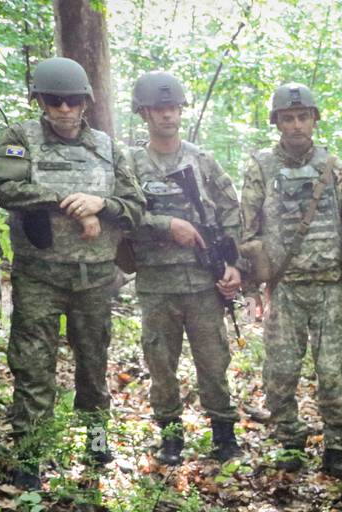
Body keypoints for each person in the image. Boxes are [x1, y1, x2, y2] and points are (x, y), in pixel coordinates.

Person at [0, 56, 143, 489]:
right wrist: (69, 200)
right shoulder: (20, 137)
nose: (63, 109)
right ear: (40, 101)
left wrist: (103, 205)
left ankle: (96, 441)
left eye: (72, 101)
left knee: (93, 363)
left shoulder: (107, 148)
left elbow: (134, 207)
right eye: (53, 101)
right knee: (34, 364)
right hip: (39, 275)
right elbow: (7, 188)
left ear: (85, 103)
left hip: (94, 277)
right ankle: (30, 454)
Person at [238, 82, 342, 480]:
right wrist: (250, 288)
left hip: (329, 286)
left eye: (302, 117)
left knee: (334, 373)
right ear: (276, 122)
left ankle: (336, 447)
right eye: (287, 118)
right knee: (280, 371)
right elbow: (246, 228)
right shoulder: (261, 166)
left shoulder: (334, 166)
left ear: (314, 119)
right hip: (286, 288)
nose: (296, 125)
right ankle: (290, 440)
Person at [123, 70, 241, 465]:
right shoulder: (131, 165)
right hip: (156, 282)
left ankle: (224, 435)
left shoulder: (202, 161)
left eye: (172, 107)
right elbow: (122, 214)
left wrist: (232, 264)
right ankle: (170, 436)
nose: (167, 115)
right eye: (158, 108)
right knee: (161, 362)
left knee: (213, 361)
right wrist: (165, 226)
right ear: (144, 113)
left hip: (202, 283)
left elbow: (230, 212)